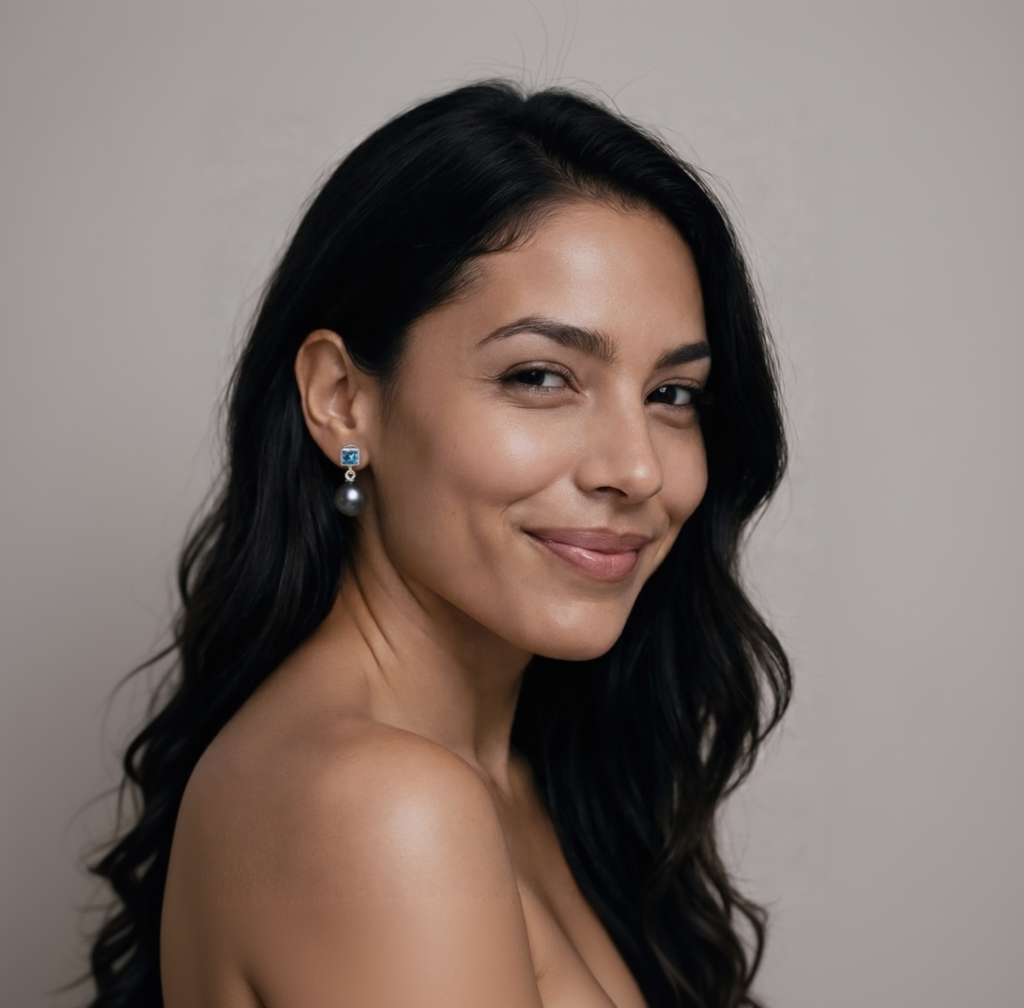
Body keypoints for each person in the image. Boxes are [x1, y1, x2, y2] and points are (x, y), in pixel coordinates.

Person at [86, 80, 791, 1008]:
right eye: (541, 376)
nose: (639, 469)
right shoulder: (382, 808)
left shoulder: (522, 774)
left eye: (673, 395)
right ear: (344, 398)